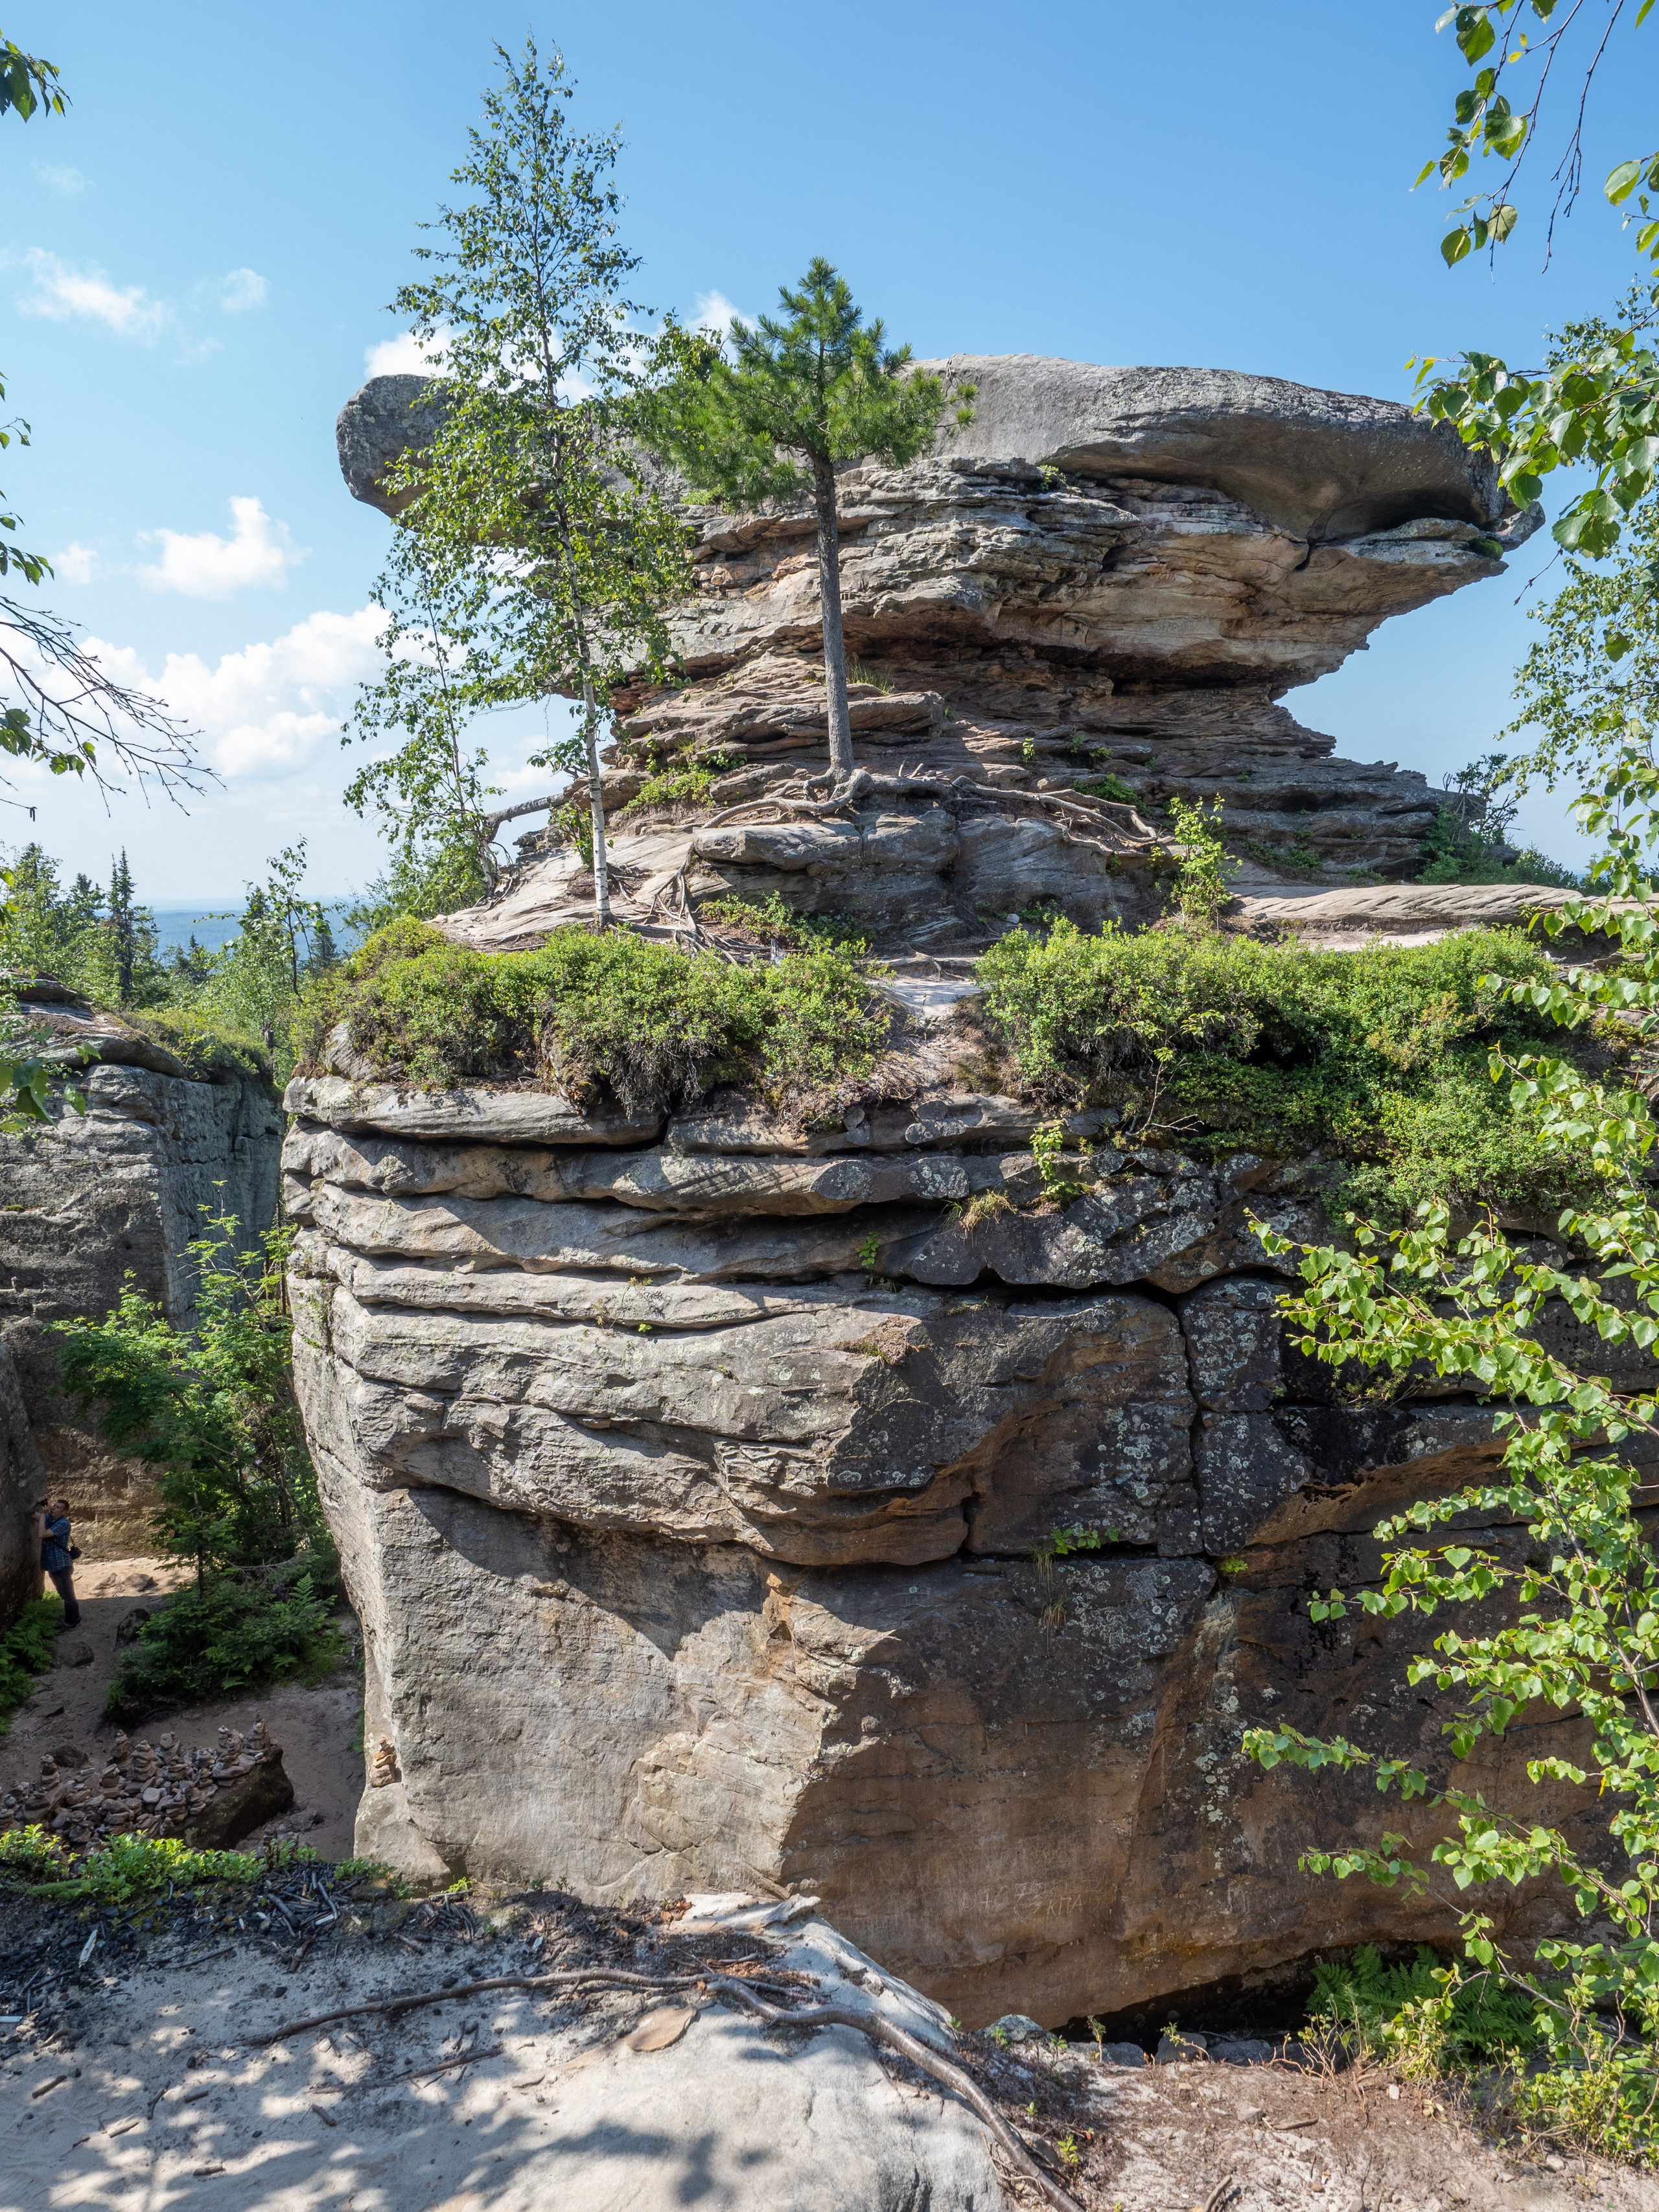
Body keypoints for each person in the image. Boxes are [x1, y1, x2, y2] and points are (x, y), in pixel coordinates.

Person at [33, 1495, 80, 1628]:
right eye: (54, 1506)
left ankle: (72, 1622)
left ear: (64, 1512)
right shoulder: (49, 1519)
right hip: (53, 1564)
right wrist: (37, 1503)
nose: (54, 1508)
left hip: (62, 1564)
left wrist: (43, 1514)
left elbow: (42, 1534)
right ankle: (74, 1618)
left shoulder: (64, 1523)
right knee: (63, 1592)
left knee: (67, 1594)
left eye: (58, 1507)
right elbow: (29, 1513)